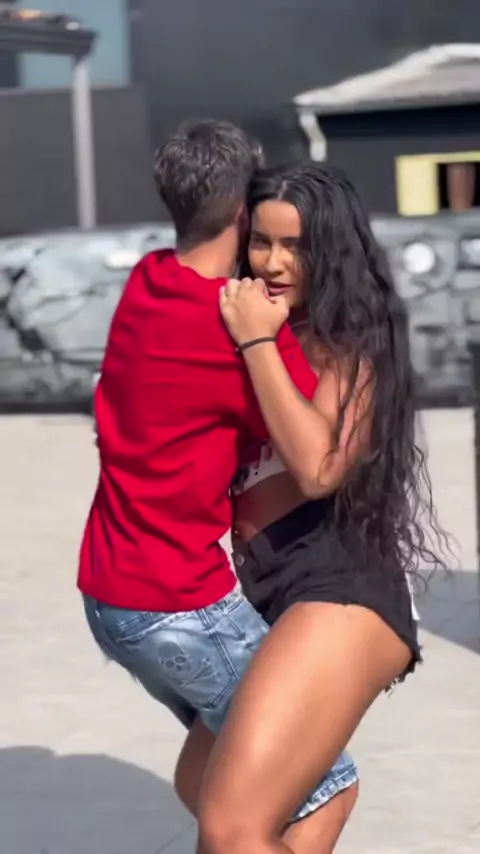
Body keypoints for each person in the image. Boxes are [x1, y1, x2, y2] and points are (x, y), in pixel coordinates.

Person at [79, 119, 359, 854]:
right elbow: (315, 452)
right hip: (177, 602)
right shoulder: (230, 332)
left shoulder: (146, 281)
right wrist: (272, 335)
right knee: (325, 784)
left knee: (233, 786)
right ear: (242, 212)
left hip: (109, 595)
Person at [180, 162, 447, 854]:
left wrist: (256, 340)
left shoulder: (351, 345)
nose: (272, 264)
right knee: (202, 788)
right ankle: (330, 791)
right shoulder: (247, 332)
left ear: (329, 250)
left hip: (339, 583)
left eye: (294, 246)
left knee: (232, 825)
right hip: (261, 590)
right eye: (260, 242)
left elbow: (321, 468)